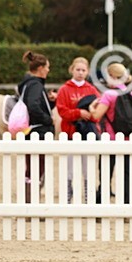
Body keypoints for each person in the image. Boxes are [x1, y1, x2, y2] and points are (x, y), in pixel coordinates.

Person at [90, 62, 132, 204]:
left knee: (106, 174)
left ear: (112, 76)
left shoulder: (109, 94)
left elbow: (96, 116)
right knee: (127, 174)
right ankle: (127, 204)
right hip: (129, 141)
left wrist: (92, 108)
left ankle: (102, 204)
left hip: (110, 140)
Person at [55, 56, 99, 201]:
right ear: (72, 70)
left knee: (88, 169)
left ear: (87, 72)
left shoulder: (91, 90)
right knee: (69, 169)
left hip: (87, 134)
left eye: (83, 70)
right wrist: (78, 113)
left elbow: (98, 111)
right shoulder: (64, 89)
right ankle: (67, 198)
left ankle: (89, 198)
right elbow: (62, 111)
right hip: (70, 132)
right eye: (78, 69)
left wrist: (90, 115)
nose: (80, 73)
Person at [18, 50, 55, 191]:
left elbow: (37, 105)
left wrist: (51, 102)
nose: (48, 70)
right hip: (38, 131)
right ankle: (30, 197)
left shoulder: (29, 84)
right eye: (47, 67)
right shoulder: (36, 85)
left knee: (32, 169)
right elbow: (33, 106)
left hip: (33, 130)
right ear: (40, 68)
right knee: (36, 169)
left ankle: (29, 196)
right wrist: (48, 120)